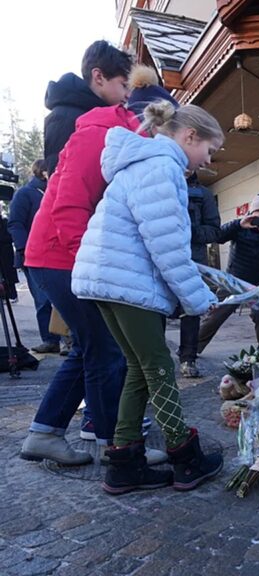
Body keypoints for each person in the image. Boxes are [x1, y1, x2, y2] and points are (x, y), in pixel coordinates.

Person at [72, 101, 223, 494]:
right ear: (190, 136)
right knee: (158, 366)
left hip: (107, 279)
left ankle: (124, 464)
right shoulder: (162, 167)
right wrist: (198, 298)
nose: (208, 161)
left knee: (139, 368)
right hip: (127, 281)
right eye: (209, 151)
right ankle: (185, 457)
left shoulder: (142, 163)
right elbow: (168, 245)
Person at [18, 102, 142, 465]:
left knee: (90, 348)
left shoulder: (115, 137)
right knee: (106, 349)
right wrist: (90, 264)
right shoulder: (98, 136)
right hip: (60, 258)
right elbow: (70, 206)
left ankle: (44, 433)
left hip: (59, 257)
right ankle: (115, 447)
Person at [197, 195, 259, 354]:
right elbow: (219, 236)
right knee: (216, 315)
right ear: (251, 213)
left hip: (258, 284)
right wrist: (238, 224)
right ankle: (193, 349)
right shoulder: (240, 227)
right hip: (233, 281)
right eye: (258, 211)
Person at [44, 40, 132, 174]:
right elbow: (60, 179)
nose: (128, 95)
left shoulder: (105, 116)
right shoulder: (64, 117)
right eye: (124, 85)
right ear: (98, 77)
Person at [9, 160, 60, 353]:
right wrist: (24, 248)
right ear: (43, 172)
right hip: (33, 255)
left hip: (57, 252)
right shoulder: (25, 194)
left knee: (62, 299)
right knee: (43, 300)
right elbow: (15, 223)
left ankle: (69, 339)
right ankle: (50, 340)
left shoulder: (56, 190)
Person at [177, 172, 219, 378]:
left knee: (191, 310)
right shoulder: (157, 184)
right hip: (158, 257)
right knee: (155, 310)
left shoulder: (203, 194)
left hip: (193, 260)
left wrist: (190, 230)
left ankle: (188, 358)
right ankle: (153, 362)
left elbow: (214, 231)